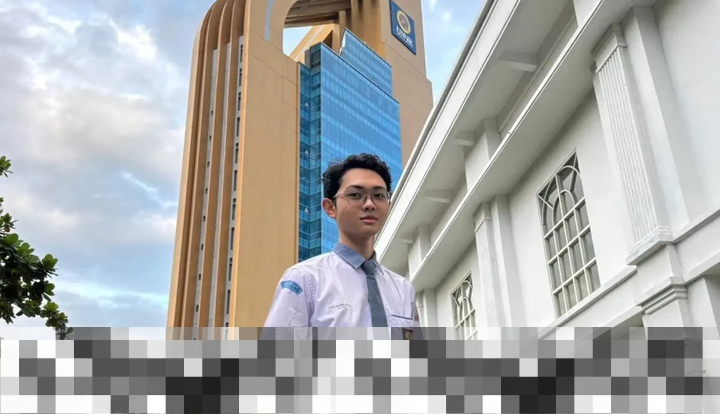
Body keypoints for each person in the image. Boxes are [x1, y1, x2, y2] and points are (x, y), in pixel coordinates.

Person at [262, 153, 422, 340]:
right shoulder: (305, 279)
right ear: (330, 207)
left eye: (379, 195)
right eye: (355, 195)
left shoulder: (403, 289)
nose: (369, 204)